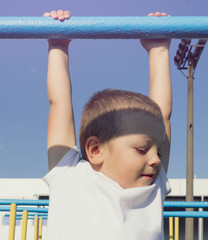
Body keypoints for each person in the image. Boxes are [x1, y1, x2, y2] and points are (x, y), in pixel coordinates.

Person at [43, 10, 172, 240]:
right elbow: (59, 103)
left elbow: (162, 117)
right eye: (142, 149)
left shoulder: (151, 189)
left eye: (159, 151)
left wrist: (159, 50)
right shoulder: (70, 175)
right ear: (95, 150)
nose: (156, 159)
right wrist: (58, 45)